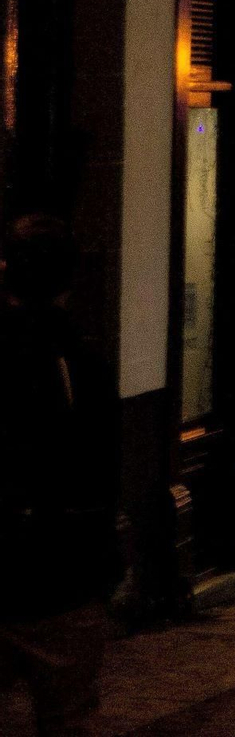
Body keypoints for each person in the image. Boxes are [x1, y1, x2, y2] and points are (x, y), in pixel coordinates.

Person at [0, 215, 119, 737]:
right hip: (64, 573)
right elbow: (100, 464)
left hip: (22, 558)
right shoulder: (80, 357)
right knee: (68, 717)